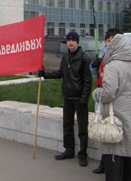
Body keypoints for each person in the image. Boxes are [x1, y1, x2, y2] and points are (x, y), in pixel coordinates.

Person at [92, 34, 131, 181]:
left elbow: (108, 93)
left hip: (118, 118)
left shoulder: (112, 66)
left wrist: (96, 93)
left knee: (115, 161)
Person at [38, 31, 92, 166]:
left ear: (77, 42)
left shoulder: (84, 58)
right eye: (68, 40)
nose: (70, 42)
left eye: (73, 40)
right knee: (67, 126)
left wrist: (84, 98)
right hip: (67, 97)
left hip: (79, 98)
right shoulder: (66, 56)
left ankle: (83, 154)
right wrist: (45, 74)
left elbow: (87, 81)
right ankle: (69, 150)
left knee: (82, 128)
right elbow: (60, 73)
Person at [89, 28, 122, 174]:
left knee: (111, 131)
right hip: (101, 98)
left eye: (112, 40)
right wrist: (94, 65)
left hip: (112, 101)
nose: (109, 43)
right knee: (102, 130)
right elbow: (96, 74)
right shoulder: (104, 57)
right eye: (107, 40)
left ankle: (109, 164)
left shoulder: (118, 60)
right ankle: (103, 162)